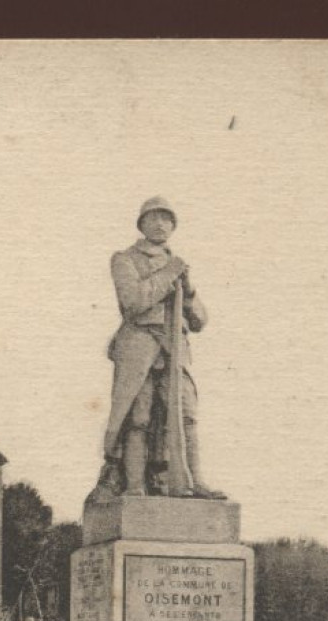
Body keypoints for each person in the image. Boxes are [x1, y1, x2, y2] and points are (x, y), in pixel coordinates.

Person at [91, 196, 226, 502]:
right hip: (139, 345)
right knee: (138, 417)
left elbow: (201, 320)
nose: (160, 224)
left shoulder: (178, 265)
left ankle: (194, 482)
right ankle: (135, 486)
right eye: (153, 218)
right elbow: (134, 301)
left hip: (175, 349)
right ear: (142, 224)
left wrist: (189, 291)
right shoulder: (124, 259)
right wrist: (169, 275)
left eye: (167, 219)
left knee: (187, 415)